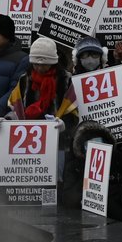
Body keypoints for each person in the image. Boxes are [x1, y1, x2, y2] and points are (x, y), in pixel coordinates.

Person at [8, 36, 75, 183]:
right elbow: (16, 108)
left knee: (56, 180)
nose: (39, 68)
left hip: (59, 142)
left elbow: (75, 110)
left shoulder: (67, 80)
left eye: (44, 64)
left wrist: (65, 124)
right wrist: (6, 121)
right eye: (35, 64)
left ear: (53, 62)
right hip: (29, 143)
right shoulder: (25, 79)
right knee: (32, 182)